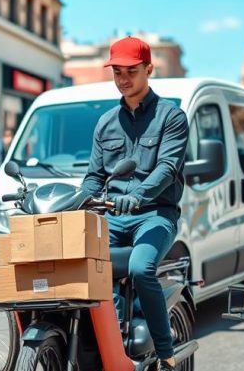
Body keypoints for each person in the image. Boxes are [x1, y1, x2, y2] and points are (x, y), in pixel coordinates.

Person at [81, 36, 188, 371]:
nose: (123, 79)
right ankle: (110, 353)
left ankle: (166, 352)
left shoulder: (171, 117)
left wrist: (137, 196)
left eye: (131, 71)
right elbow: (94, 176)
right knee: (89, 272)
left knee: (141, 268)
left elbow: (167, 168)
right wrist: (75, 202)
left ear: (149, 69)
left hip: (155, 214)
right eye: (117, 72)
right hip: (112, 218)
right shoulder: (105, 123)